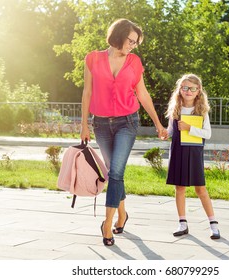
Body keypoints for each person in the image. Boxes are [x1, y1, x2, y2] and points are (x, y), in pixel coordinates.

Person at [80, 18, 168, 246]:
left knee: (117, 172)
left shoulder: (134, 62)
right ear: (118, 35)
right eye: (131, 40)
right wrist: (83, 124)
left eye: (136, 43)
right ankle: (122, 214)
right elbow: (87, 93)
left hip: (127, 122)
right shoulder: (93, 59)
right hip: (100, 123)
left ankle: (107, 224)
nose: (133, 45)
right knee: (112, 171)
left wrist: (158, 124)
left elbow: (143, 93)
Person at [165, 73, 220, 240]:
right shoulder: (175, 109)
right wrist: (163, 134)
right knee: (179, 188)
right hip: (177, 151)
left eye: (192, 88)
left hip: (194, 152)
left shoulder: (201, 111)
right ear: (180, 90)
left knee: (200, 189)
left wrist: (189, 128)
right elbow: (171, 131)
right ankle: (182, 223)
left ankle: (213, 224)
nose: (188, 91)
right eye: (185, 88)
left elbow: (207, 134)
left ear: (198, 91)